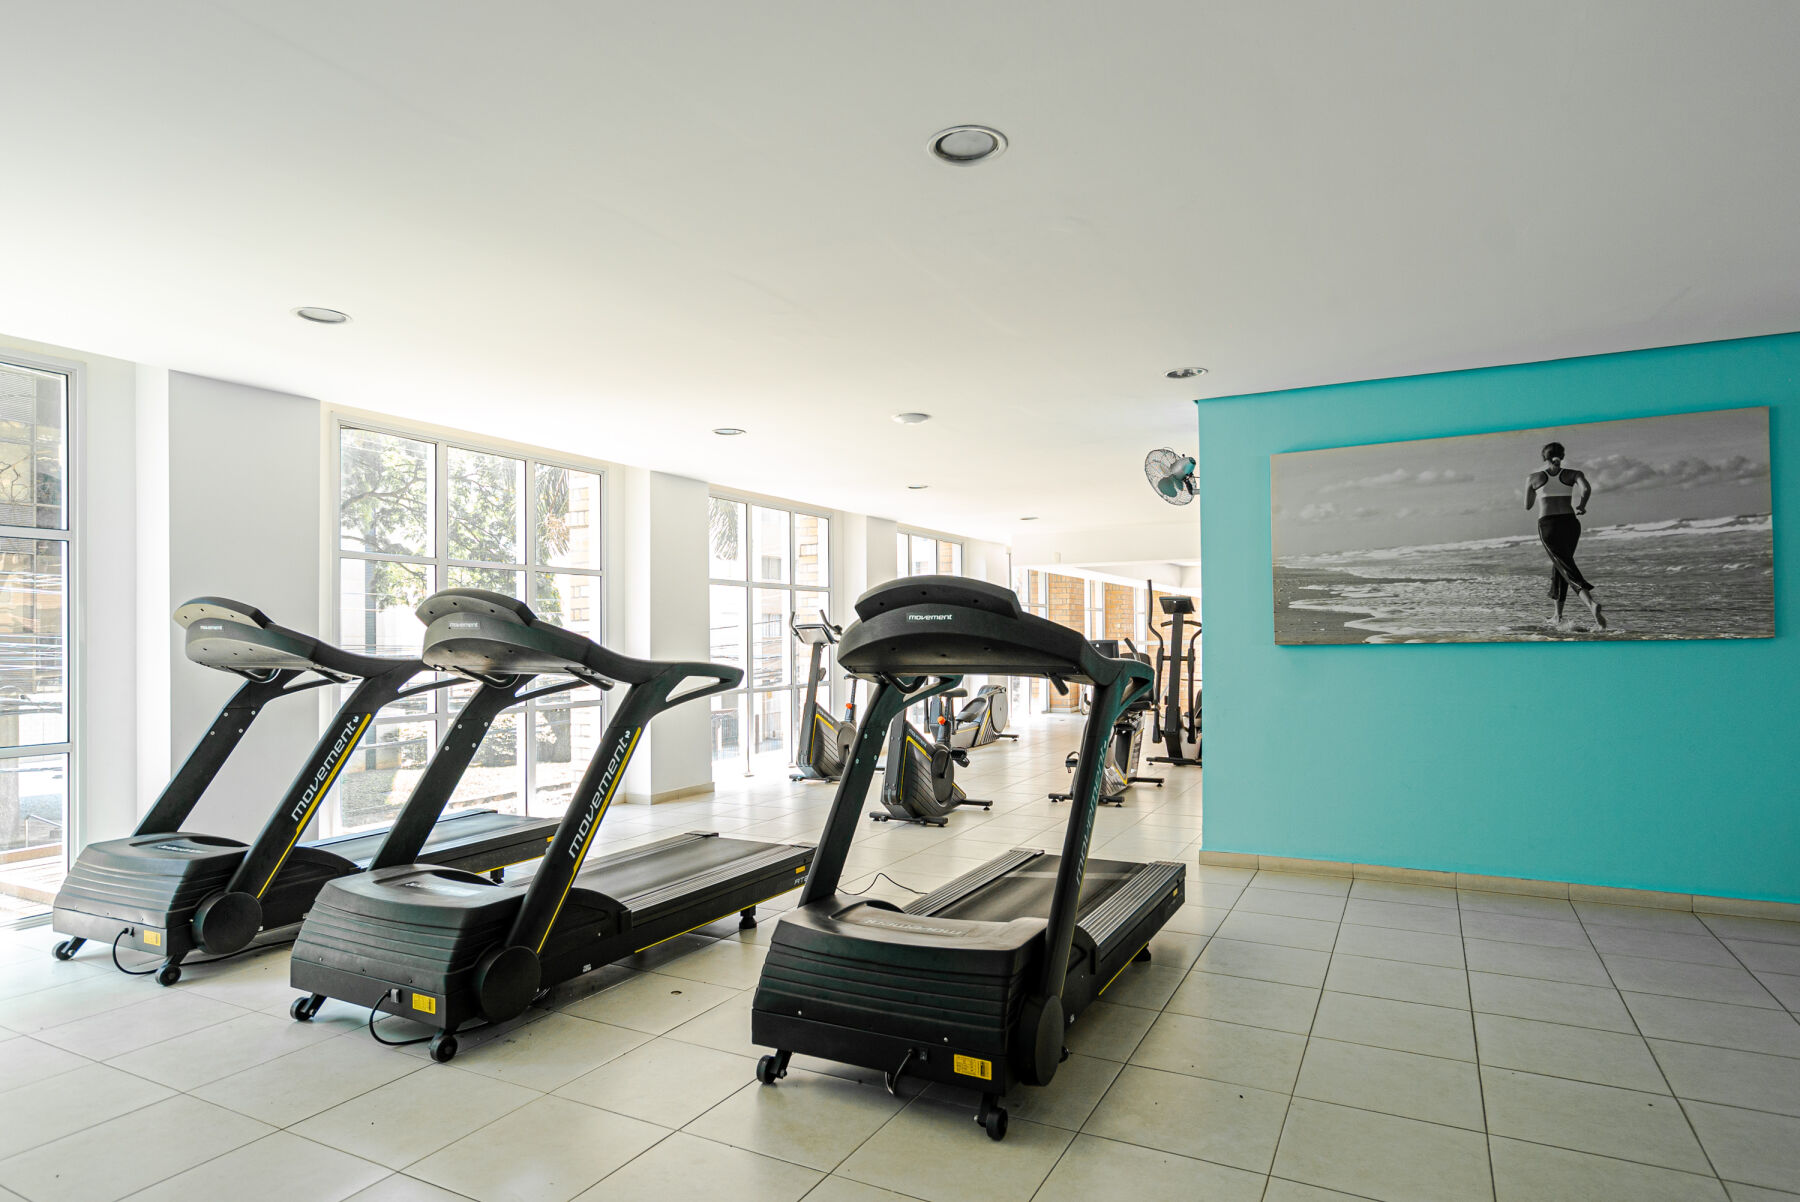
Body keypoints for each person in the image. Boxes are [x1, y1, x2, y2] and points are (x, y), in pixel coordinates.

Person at [1525, 442, 1606, 629]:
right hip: (1570, 524)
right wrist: (1582, 505)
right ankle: (1557, 616)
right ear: (1562, 456)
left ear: (1544, 457)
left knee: (1566, 567)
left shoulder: (1533, 477)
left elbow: (1527, 506)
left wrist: (1538, 491)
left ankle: (1591, 604)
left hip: (1548, 525)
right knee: (1561, 566)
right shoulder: (1574, 474)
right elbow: (1586, 489)